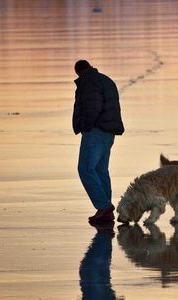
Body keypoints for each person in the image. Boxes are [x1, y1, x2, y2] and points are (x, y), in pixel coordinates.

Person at [73, 60, 125, 223]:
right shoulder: (105, 80)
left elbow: (92, 107)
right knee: (101, 170)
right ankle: (106, 210)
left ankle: (103, 207)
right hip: (108, 132)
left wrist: (86, 127)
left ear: (79, 72)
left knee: (86, 169)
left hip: (95, 131)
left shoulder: (88, 82)